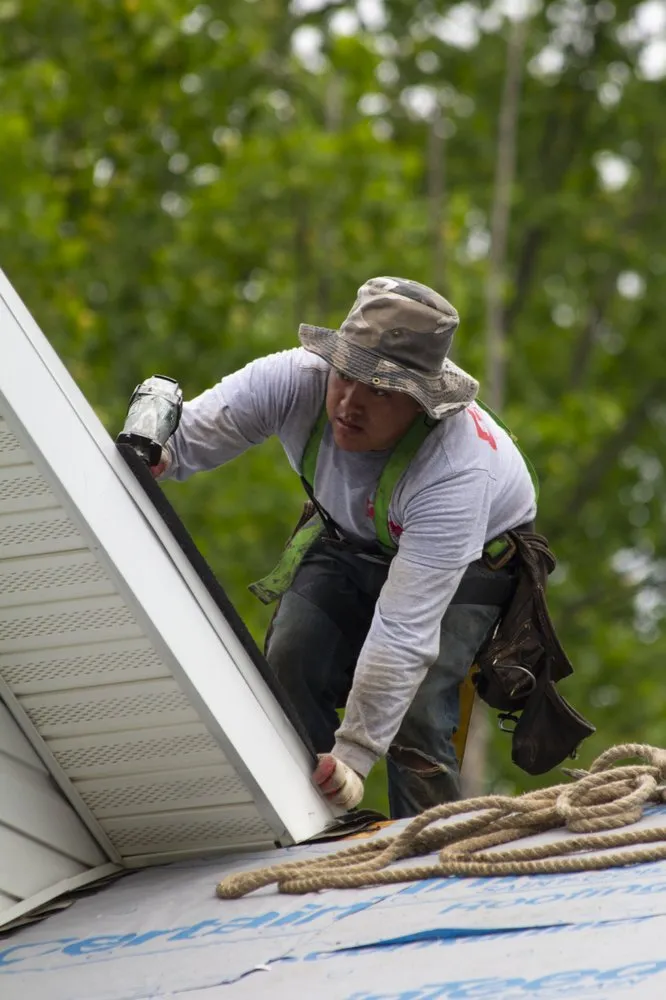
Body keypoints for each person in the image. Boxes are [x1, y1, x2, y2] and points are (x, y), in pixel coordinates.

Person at [153, 276, 537, 818]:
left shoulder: (456, 470)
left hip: (472, 562)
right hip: (350, 535)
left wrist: (353, 756)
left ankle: (430, 845)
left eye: (380, 391)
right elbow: (184, 438)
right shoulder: (293, 379)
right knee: (291, 656)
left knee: (418, 710)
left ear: (421, 402)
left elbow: (403, 631)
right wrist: (154, 450)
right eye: (346, 376)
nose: (350, 404)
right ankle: (313, 827)